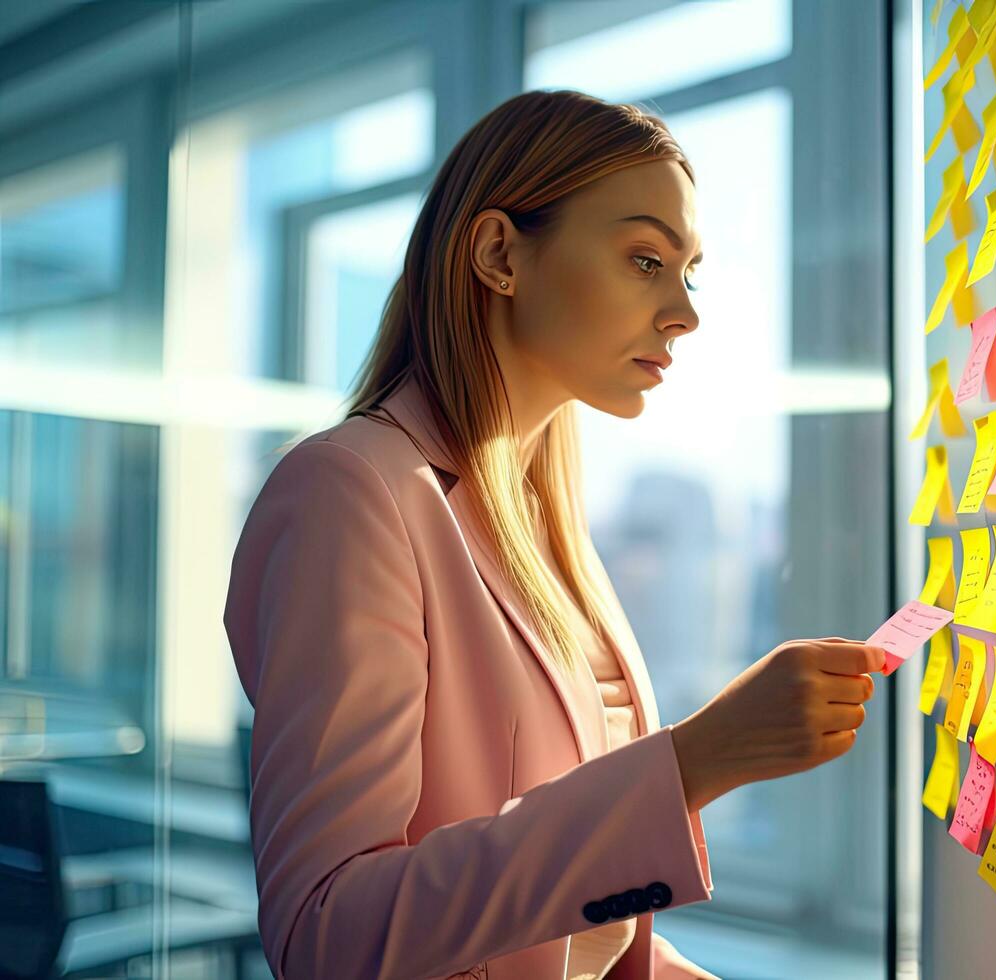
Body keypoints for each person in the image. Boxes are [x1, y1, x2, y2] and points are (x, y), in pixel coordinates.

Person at [223, 89, 884, 980]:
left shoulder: (542, 524)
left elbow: (570, 936)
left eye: (688, 271)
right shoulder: (351, 491)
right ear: (499, 253)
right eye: (645, 259)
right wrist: (695, 760)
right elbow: (326, 936)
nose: (684, 312)